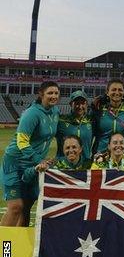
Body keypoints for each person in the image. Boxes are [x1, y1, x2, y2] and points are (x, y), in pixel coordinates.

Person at [0, 81, 60, 226]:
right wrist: (39, 160)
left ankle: (20, 247)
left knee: (26, 207)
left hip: (33, 165)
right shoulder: (32, 113)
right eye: (50, 93)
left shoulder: (55, 112)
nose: (53, 96)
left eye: (56, 93)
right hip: (15, 163)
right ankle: (5, 248)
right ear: (41, 94)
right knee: (15, 208)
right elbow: (22, 141)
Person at [22, 135, 92, 185]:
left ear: (80, 149)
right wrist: (35, 169)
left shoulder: (90, 165)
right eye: (67, 148)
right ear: (63, 150)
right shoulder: (55, 163)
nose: (71, 150)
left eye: (74, 147)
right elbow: (25, 177)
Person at [92, 79, 124, 154]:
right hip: (101, 155)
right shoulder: (98, 109)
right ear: (107, 92)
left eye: (120, 90)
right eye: (113, 90)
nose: (117, 92)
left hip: (123, 155)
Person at [55, 90, 93, 162]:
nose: (80, 106)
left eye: (83, 103)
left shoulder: (91, 121)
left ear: (86, 104)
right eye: (76, 103)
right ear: (70, 104)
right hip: (64, 165)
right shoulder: (61, 121)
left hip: (84, 165)